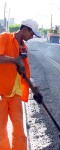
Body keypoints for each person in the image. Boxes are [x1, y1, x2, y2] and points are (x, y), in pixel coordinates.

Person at [0, 19, 43, 150]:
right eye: (31, 34)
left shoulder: (24, 48)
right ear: (25, 30)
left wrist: (34, 90)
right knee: (1, 131)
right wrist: (14, 60)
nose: (31, 37)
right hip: (1, 93)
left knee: (19, 131)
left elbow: (23, 72)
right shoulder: (4, 38)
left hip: (16, 95)